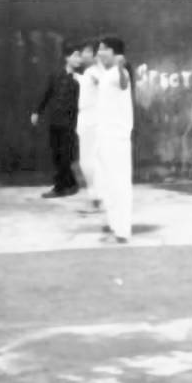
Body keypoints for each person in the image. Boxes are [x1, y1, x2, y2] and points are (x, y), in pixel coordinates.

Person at [30, 41, 83, 198]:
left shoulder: (81, 78)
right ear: (67, 57)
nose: (78, 59)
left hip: (71, 122)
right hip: (55, 120)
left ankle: (60, 187)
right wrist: (37, 111)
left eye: (80, 56)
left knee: (66, 155)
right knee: (57, 154)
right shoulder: (56, 75)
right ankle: (70, 184)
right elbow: (46, 93)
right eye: (75, 56)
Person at [95, 35, 134, 244]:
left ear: (115, 53)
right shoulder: (106, 74)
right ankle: (114, 226)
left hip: (116, 138)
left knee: (119, 184)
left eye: (104, 49)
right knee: (108, 184)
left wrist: (120, 67)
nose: (100, 53)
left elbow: (123, 83)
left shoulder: (120, 72)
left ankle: (122, 231)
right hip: (104, 136)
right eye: (99, 49)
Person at [76, 39, 102, 212]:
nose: (82, 54)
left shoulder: (95, 71)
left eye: (85, 51)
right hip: (87, 117)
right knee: (88, 160)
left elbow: (102, 83)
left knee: (90, 160)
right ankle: (95, 197)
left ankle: (97, 197)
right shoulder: (88, 73)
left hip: (92, 118)